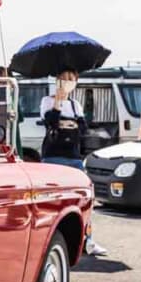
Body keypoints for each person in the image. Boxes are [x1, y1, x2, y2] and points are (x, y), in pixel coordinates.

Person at [40, 69, 106, 255]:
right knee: (54, 199)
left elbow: (83, 128)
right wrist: (57, 103)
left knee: (83, 197)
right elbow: (51, 122)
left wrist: (71, 123)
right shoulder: (47, 101)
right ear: (57, 80)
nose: (67, 81)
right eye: (64, 78)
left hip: (74, 156)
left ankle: (87, 239)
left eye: (71, 78)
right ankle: (51, 238)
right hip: (53, 155)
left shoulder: (76, 104)